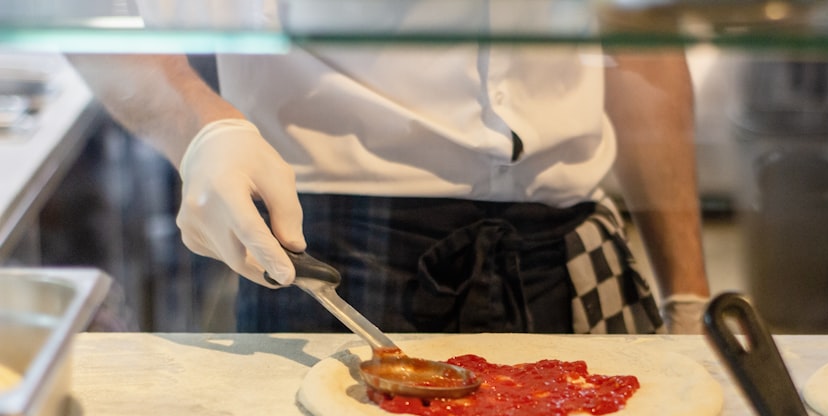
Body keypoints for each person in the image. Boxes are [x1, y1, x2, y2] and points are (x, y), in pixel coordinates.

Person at [67, 6, 709, 335]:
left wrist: (690, 298)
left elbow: (642, 40)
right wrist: (201, 130)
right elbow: (80, 12)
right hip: (328, 258)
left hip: (566, 253)